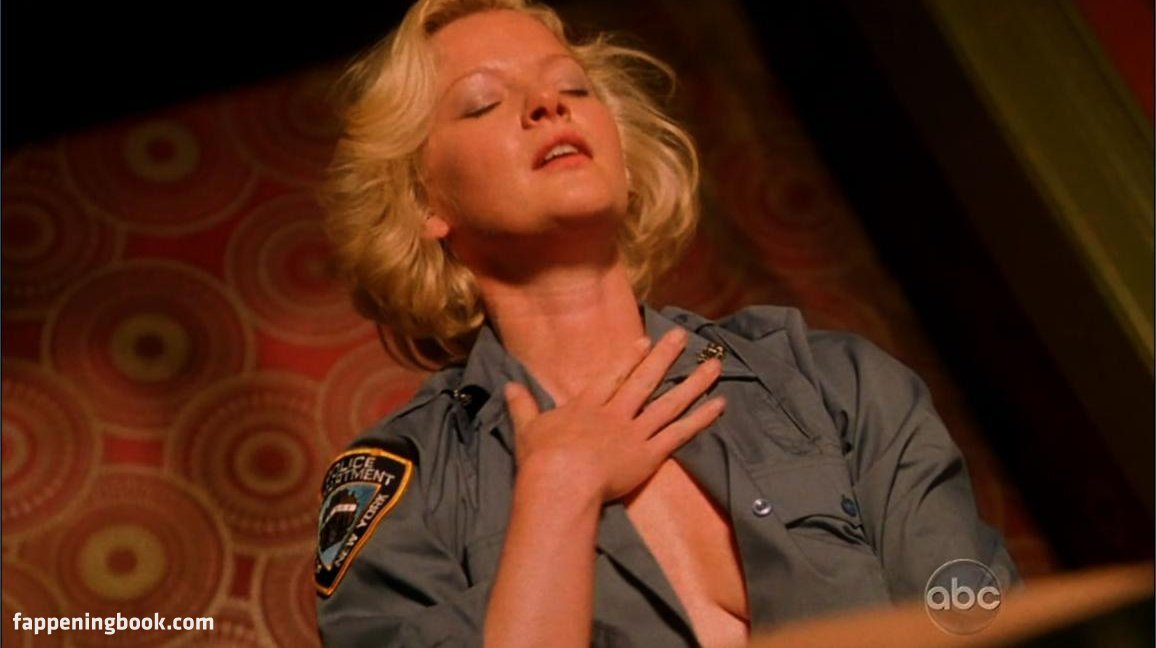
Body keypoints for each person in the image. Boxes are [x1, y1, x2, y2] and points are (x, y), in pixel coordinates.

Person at [314, 0, 1019, 646]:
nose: (548, 105)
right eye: (483, 103)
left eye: (573, 87)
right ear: (425, 203)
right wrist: (557, 495)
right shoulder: (407, 487)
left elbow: (978, 629)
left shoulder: (836, 384)